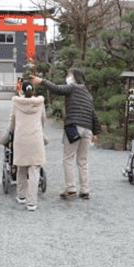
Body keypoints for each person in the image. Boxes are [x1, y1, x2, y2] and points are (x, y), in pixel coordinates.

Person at [31, 68, 100, 200]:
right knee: (83, 161)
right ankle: (85, 190)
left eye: (69, 74)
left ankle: (71, 189)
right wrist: (95, 132)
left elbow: (57, 89)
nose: (67, 77)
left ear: (74, 77)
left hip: (74, 126)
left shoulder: (73, 87)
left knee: (68, 158)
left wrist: (41, 81)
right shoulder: (87, 93)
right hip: (87, 129)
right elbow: (93, 114)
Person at [0, 80, 47, 211]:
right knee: (34, 170)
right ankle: (32, 202)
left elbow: (12, 122)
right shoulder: (40, 103)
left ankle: (21, 195)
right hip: (36, 138)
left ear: (22, 90)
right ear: (33, 91)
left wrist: (9, 133)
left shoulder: (16, 103)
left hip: (21, 138)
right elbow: (43, 120)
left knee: (21, 167)